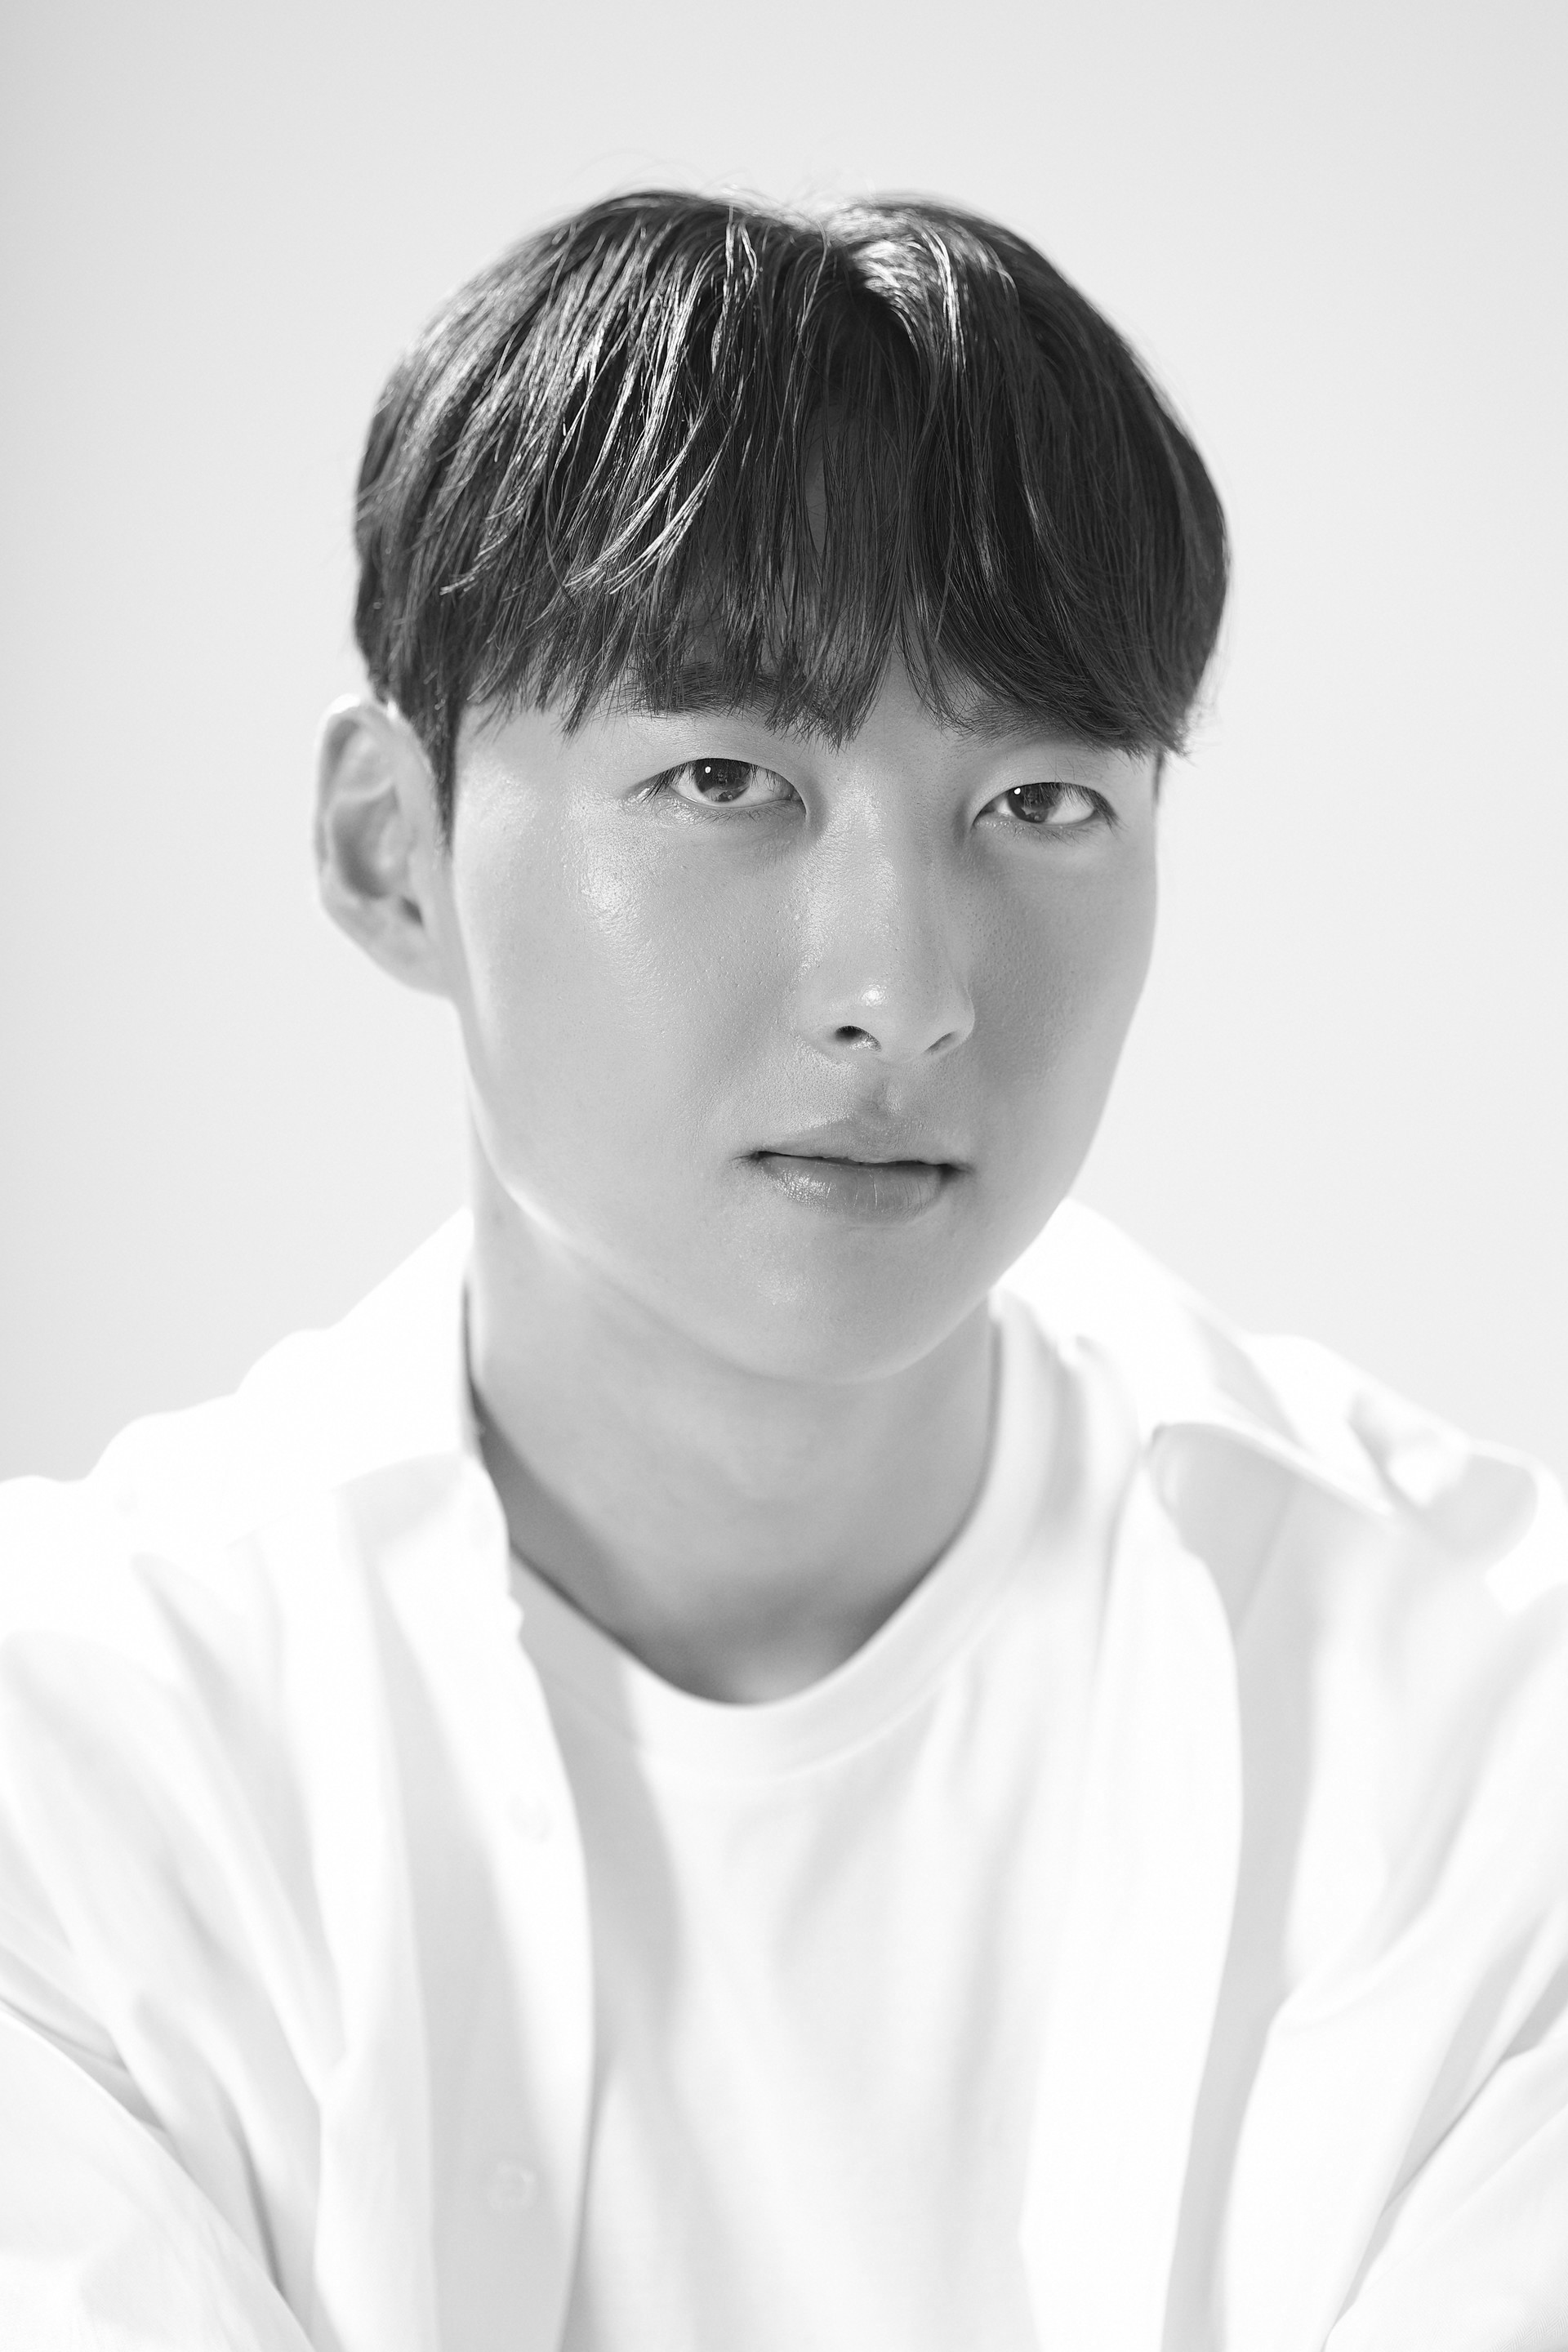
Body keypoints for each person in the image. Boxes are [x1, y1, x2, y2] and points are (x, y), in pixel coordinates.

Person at [0, 189, 1563, 2352]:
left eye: (1041, 802)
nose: (901, 994)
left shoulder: (1488, 1719)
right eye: (724, 776)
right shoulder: (80, 1748)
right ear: (392, 848)